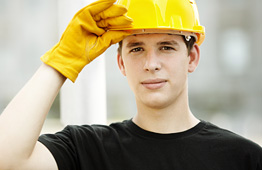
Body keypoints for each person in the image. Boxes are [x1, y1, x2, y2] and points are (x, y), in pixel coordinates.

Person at [0, 0, 261, 169]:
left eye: (166, 47)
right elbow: (7, 158)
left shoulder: (243, 158)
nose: (151, 63)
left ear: (191, 58)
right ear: (121, 63)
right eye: (136, 48)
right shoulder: (87, 149)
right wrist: (62, 60)